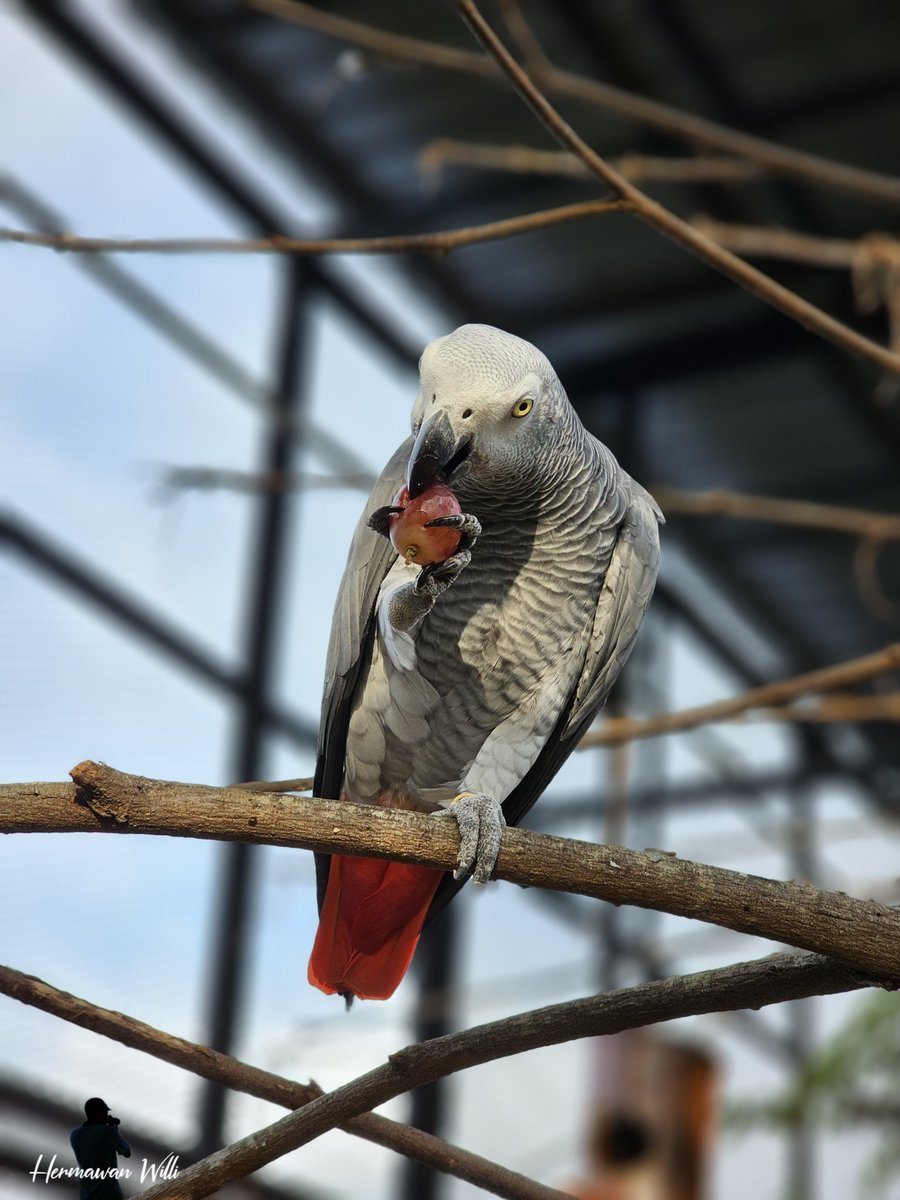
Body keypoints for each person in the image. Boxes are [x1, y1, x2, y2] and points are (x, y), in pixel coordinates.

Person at [69, 1097, 131, 1200]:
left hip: (86, 1192)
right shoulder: (107, 1132)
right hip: (108, 1191)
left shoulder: (75, 1135)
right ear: (99, 1113)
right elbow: (126, 1151)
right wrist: (114, 1131)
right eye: (104, 1112)